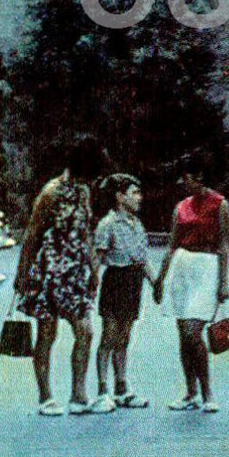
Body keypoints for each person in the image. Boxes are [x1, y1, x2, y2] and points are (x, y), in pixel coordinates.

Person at [14, 140, 111, 416]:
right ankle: (45, 396)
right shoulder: (51, 192)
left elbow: (86, 232)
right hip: (49, 272)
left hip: (75, 273)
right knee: (47, 333)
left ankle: (78, 395)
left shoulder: (83, 191)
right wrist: (22, 275)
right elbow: (32, 235)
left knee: (85, 331)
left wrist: (93, 268)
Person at [153, 165, 229, 413]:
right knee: (183, 335)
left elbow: (224, 245)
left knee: (192, 332)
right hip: (182, 268)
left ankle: (207, 392)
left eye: (187, 178)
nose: (183, 183)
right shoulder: (181, 206)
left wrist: (223, 283)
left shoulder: (220, 205)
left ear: (200, 177)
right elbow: (172, 244)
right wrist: (160, 279)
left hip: (207, 267)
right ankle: (190, 392)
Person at [93, 174, 156, 409]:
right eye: (134, 193)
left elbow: (142, 259)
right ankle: (102, 390)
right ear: (120, 197)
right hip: (115, 280)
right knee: (109, 335)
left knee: (124, 337)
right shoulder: (108, 223)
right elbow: (98, 257)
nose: (139, 198)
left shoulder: (137, 224)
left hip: (133, 281)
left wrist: (155, 283)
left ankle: (122, 387)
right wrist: (91, 283)